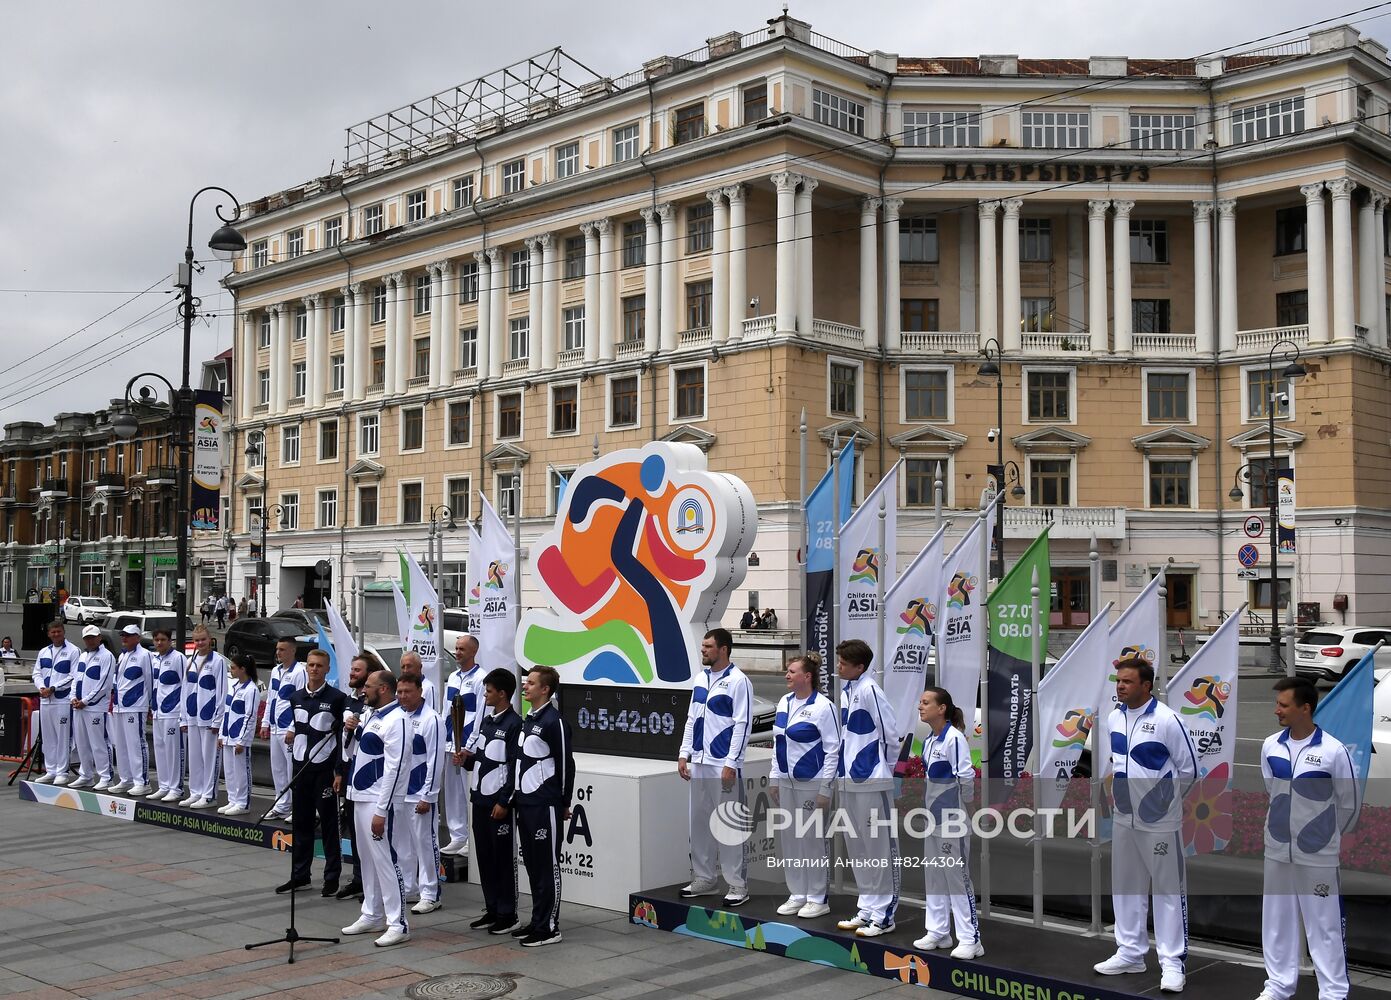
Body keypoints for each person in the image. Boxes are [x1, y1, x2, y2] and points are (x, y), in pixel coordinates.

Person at [1094, 655, 1197, 992]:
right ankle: (1130, 953)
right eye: (1118, 681)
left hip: (1159, 822)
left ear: (1145, 685)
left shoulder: (1168, 720)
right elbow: (1116, 761)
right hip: (1124, 817)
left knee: (1168, 891)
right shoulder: (1113, 718)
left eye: (1126, 681)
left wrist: (1162, 801)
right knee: (1126, 886)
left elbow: (1189, 770)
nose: (1120, 686)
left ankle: (1172, 963)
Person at [1256, 677, 1360, 1000]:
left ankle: (1333, 992)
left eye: (1283, 705)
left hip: (1318, 855)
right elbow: (1271, 789)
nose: (1277, 711)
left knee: (1324, 926)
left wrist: (1323, 836)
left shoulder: (1333, 752)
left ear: (1305, 708)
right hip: (1277, 850)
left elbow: (1349, 805)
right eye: (1277, 704)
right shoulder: (1270, 746)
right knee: (1276, 922)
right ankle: (1277, 986)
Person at [677, 628, 753, 907]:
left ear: (724, 649)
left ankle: (737, 885)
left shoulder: (738, 681)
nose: (703, 650)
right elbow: (691, 719)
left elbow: (742, 724)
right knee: (698, 824)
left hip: (722, 765)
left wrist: (732, 762)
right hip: (698, 762)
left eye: (708, 646)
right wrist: (684, 753)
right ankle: (705, 878)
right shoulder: (700, 678)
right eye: (703, 646)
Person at [834, 637, 901, 938]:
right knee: (858, 847)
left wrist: (885, 773)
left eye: (843, 664)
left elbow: (890, 734)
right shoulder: (849, 691)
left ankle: (885, 914)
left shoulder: (871, 690)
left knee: (878, 848)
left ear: (860, 667)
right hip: (849, 780)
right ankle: (868, 907)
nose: (838, 668)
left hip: (872, 780)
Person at [342, 668, 412, 947]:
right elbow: (353, 754)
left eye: (368, 686)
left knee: (385, 859)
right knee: (367, 859)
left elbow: (395, 767)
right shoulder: (372, 715)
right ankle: (371, 913)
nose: (363, 690)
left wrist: (382, 810)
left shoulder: (398, 720)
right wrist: (350, 731)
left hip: (379, 800)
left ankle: (398, 922)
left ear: (383, 689)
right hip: (360, 795)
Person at [770, 652, 840, 920]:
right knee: (791, 839)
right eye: (787, 671)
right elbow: (779, 743)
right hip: (787, 782)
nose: (787, 675)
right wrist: (775, 777)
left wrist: (825, 789)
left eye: (792, 671)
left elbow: (834, 750)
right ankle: (797, 893)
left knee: (812, 840)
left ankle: (817, 897)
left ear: (807, 676)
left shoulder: (824, 707)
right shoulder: (784, 702)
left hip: (812, 783)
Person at [914, 686, 982, 959]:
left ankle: (970, 939)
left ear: (942, 708)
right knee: (934, 875)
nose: (920, 707)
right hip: (933, 820)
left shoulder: (954, 739)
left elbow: (966, 776)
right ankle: (939, 931)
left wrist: (971, 807)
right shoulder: (930, 741)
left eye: (926, 702)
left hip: (952, 821)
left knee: (957, 878)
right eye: (920, 702)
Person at [509, 665, 575, 947]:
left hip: (544, 804)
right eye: (526, 682)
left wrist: (563, 802)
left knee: (547, 865)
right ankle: (538, 920)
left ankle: (550, 927)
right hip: (525, 803)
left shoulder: (554, 721)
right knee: (534, 865)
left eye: (531, 683)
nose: (525, 687)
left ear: (545, 689)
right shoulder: (529, 719)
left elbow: (565, 763)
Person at [459, 667, 522, 934]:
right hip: (480, 800)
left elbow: (513, 766)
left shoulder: (514, 724)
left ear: (503, 693)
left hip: (499, 805)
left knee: (502, 860)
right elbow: (483, 759)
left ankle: (508, 914)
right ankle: (493, 908)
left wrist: (504, 801)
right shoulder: (487, 721)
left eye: (489, 691)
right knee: (484, 857)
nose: (485, 695)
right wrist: (466, 759)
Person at [281, 648, 349, 896]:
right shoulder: (296, 697)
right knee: (301, 823)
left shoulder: (337, 698)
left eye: (319, 665)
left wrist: (339, 771)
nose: (314, 669)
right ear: (306, 667)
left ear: (327, 669)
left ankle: (332, 877)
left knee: (330, 826)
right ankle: (300, 875)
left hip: (325, 771)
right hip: (300, 769)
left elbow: (342, 738)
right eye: (311, 665)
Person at [397, 671, 445, 914]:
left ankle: (431, 893)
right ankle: (409, 886)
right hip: (399, 793)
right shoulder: (398, 715)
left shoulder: (432, 719)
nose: (403, 696)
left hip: (419, 794)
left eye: (408, 691)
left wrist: (428, 795)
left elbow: (435, 760)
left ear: (420, 691)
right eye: (400, 691)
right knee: (403, 844)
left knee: (425, 843)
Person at [441, 634, 484, 856]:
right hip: (449, 741)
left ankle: (469, 838)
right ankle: (457, 836)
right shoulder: (453, 677)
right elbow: (446, 709)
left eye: (462, 649)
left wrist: (470, 745)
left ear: (473, 652)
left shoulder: (481, 678)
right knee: (452, 790)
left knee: (467, 791)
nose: (457, 652)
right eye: (456, 648)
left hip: (466, 744)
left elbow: (480, 715)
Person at [179, 625, 227, 809]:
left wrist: (217, 719)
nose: (200, 643)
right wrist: (183, 717)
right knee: (195, 757)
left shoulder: (217, 662)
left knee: (209, 757)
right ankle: (196, 792)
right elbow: (185, 689)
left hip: (208, 718)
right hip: (192, 716)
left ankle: (209, 795)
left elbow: (222, 691)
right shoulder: (190, 660)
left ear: (210, 639)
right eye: (197, 640)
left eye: (203, 639)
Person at [261, 639, 308, 821]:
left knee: (291, 770)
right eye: (277, 649)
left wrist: (293, 728)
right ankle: (281, 805)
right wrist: (265, 723)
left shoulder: (299, 672)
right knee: (278, 769)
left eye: (282, 650)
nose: (278, 653)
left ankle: (296, 807)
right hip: (274, 727)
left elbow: (300, 701)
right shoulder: (275, 671)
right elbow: (272, 699)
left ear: (293, 651)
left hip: (288, 728)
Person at [31, 620, 79, 784]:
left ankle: (62, 772)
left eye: (59, 631)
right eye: (53, 632)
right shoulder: (43, 652)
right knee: (49, 737)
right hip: (46, 701)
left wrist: (53, 688)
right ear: (49, 634)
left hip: (62, 700)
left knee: (62, 738)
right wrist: (42, 687)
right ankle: (50, 770)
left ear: (63, 632)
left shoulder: (73, 651)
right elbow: (36, 673)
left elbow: (74, 676)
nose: (56, 634)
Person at [70, 624, 116, 790]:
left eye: (93, 637)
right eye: (87, 638)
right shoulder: (82, 657)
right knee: (82, 743)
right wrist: (73, 698)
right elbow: (76, 679)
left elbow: (104, 684)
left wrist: (86, 701)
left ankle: (106, 777)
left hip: (96, 708)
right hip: (79, 707)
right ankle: (86, 775)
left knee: (99, 743)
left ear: (99, 637)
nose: (90, 640)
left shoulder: (107, 656)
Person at [110, 624, 154, 796]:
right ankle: (125, 779)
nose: (124, 638)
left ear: (137, 637)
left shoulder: (144, 655)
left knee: (136, 743)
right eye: (123, 635)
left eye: (128, 635)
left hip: (136, 706)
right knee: (121, 744)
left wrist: (149, 703)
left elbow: (150, 680)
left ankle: (142, 782)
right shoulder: (122, 656)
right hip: (120, 706)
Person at [218, 654, 260, 816]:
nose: (231, 670)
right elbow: (226, 711)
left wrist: (242, 740)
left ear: (243, 669)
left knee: (241, 770)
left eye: (234, 667)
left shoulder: (251, 690)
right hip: (228, 735)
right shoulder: (234, 686)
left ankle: (243, 802)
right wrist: (222, 734)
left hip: (239, 738)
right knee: (229, 770)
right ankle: (233, 799)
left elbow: (250, 716)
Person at [148, 628, 187, 801]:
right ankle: (164, 785)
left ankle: (176, 788)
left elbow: (185, 685)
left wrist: (181, 712)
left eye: (162, 640)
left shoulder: (178, 658)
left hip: (173, 712)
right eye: (156, 639)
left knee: (173, 751)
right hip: (158, 712)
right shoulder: (155, 659)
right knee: (160, 749)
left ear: (170, 641)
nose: (159, 643)